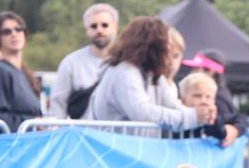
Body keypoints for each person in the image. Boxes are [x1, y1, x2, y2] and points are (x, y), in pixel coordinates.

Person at [85, 16, 216, 130]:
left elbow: (171, 105)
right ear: (152, 47)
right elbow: (142, 113)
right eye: (164, 48)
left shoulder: (152, 74)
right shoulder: (124, 73)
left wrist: (202, 116)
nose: (167, 56)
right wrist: (192, 117)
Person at [48, 3, 118, 119]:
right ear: (87, 30)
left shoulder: (127, 62)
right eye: (94, 26)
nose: (99, 30)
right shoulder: (71, 63)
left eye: (105, 25)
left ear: (115, 27)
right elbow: (58, 104)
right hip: (81, 134)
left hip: (116, 135)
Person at [0, 11, 41, 132]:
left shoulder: (24, 73)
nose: (14, 34)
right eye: (7, 32)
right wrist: (33, 124)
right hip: (10, 146)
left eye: (19, 29)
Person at [182, 49, 248, 146]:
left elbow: (230, 120)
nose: (192, 72)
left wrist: (234, 129)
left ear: (211, 71)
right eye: (197, 96)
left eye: (196, 68)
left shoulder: (219, 96)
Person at [173, 73, 226, 141]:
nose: (204, 101)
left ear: (214, 101)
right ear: (183, 100)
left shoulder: (215, 119)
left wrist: (214, 121)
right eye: (197, 96)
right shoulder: (175, 118)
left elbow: (222, 135)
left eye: (208, 97)